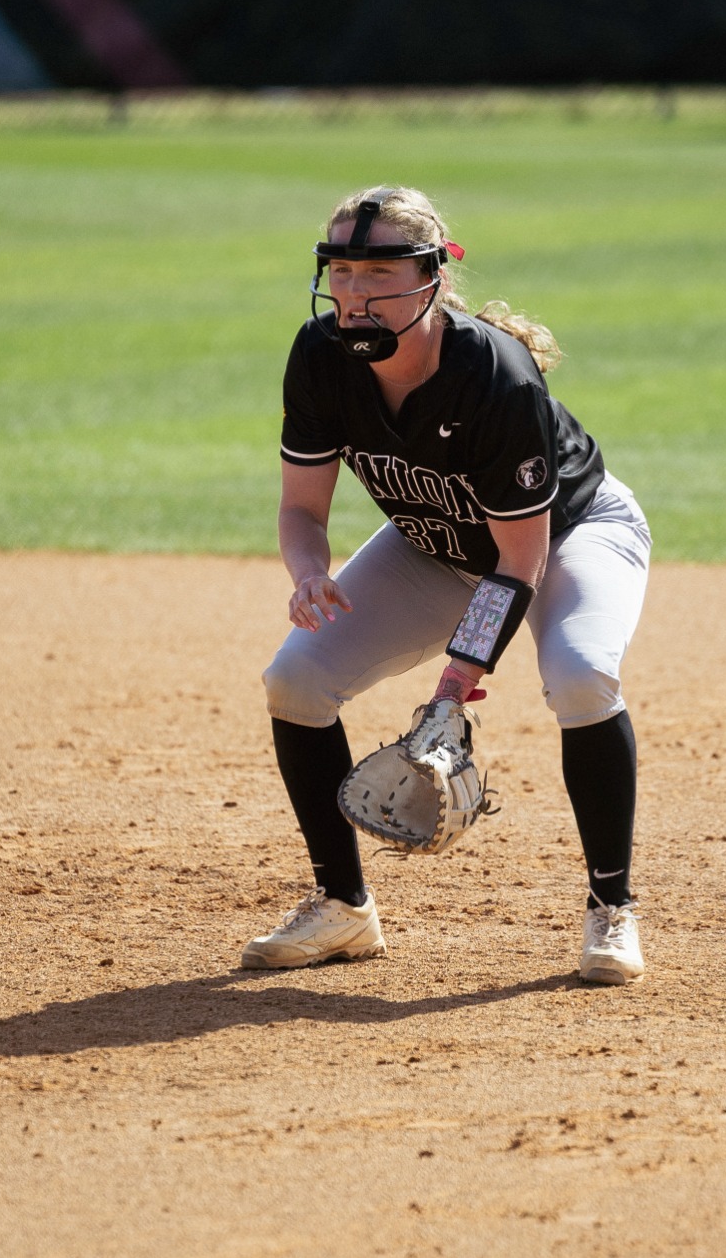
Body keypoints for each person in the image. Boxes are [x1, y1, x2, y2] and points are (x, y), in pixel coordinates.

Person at [244, 184, 651, 986]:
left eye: (379, 273)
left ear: (431, 274)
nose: (355, 294)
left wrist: (460, 673)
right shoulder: (319, 354)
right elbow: (300, 508)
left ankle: (611, 909)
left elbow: (519, 557)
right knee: (294, 680)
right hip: (430, 543)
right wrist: (307, 574)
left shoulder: (492, 375)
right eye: (343, 271)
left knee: (577, 680)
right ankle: (342, 908)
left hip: (569, 538)